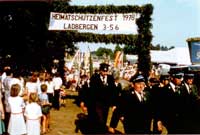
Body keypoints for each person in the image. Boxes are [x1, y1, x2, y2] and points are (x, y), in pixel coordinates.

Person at [80, 62, 117, 134]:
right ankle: (97, 130)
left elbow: (113, 91)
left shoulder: (110, 78)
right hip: (96, 102)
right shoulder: (94, 78)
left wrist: (114, 103)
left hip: (106, 103)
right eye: (103, 71)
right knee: (99, 118)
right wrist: (86, 103)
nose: (105, 73)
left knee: (104, 118)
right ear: (100, 71)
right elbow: (91, 91)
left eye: (106, 71)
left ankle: (101, 131)